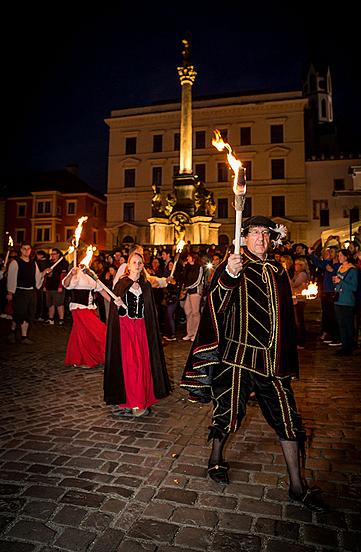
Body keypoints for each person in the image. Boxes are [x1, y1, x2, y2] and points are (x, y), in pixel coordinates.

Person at [181, 215, 326, 512]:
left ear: (271, 240)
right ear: (244, 237)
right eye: (254, 233)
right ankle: (216, 457)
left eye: (265, 234)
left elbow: (281, 319)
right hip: (236, 358)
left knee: (289, 420)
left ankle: (298, 487)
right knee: (228, 414)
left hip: (271, 363)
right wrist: (228, 277)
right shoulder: (232, 265)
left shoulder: (277, 270)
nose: (260, 238)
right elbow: (215, 306)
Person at [104, 251, 171, 418]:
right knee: (131, 364)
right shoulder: (121, 284)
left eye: (140, 262)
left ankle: (143, 397)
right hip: (126, 329)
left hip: (142, 328)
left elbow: (149, 310)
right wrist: (119, 304)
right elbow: (116, 313)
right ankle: (134, 401)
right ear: (128, 265)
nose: (137, 265)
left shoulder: (145, 285)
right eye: (134, 262)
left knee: (143, 363)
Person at [62, 266, 110, 368]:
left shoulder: (90, 273)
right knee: (99, 330)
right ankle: (89, 358)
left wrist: (113, 301)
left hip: (90, 308)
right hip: (79, 308)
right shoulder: (75, 272)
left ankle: (78, 358)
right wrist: (71, 274)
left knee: (80, 332)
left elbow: (100, 289)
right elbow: (66, 284)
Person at [6, 242, 47, 344]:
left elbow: (37, 277)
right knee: (19, 313)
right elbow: (11, 278)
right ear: (21, 250)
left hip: (31, 292)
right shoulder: (15, 262)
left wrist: (45, 272)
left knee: (29, 314)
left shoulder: (33, 263)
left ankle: (24, 337)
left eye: (28, 249)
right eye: (24, 249)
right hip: (19, 292)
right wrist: (10, 292)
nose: (26, 251)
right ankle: (12, 331)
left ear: (30, 250)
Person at [331, 249, 358, 356]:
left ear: (346, 257)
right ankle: (344, 345)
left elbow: (354, 287)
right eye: (338, 255)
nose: (339, 257)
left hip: (347, 300)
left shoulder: (353, 270)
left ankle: (349, 346)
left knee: (348, 324)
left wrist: (341, 281)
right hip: (338, 299)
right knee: (341, 324)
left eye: (341, 255)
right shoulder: (340, 268)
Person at [43, 248, 69, 326]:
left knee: (59, 304)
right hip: (49, 286)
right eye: (52, 254)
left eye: (54, 254)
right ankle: (51, 319)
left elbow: (63, 276)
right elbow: (46, 275)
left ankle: (61, 319)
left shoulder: (63, 263)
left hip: (58, 287)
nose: (52, 255)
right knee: (50, 304)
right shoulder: (50, 263)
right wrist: (44, 285)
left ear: (58, 254)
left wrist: (60, 286)